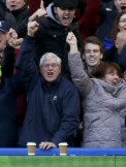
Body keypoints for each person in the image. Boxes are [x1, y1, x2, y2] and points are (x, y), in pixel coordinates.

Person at [68, 28, 126, 147]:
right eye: (111, 74)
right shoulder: (91, 87)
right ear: (103, 76)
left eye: (117, 74)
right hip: (98, 148)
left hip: (125, 147)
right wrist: (73, 47)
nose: (116, 77)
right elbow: (78, 74)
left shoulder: (125, 86)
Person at [15, 21, 80, 149]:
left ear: (60, 68)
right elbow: (23, 63)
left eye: (53, 65)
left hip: (57, 149)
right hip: (31, 147)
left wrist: (55, 142)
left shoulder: (68, 88)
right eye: (46, 65)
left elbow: (71, 120)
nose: (50, 68)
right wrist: (29, 36)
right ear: (40, 68)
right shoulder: (34, 82)